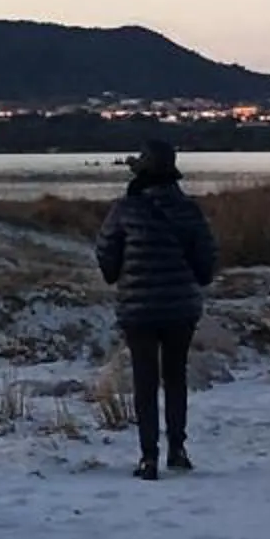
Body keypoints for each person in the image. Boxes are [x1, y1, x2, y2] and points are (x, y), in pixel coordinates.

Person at [95, 137, 218, 480]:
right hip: (181, 308)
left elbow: (106, 252)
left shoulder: (125, 210)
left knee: (145, 380)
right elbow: (206, 262)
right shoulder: (189, 210)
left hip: (138, 309)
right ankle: (177, 449)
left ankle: (148, 457)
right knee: (175, 377)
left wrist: (117, 274)